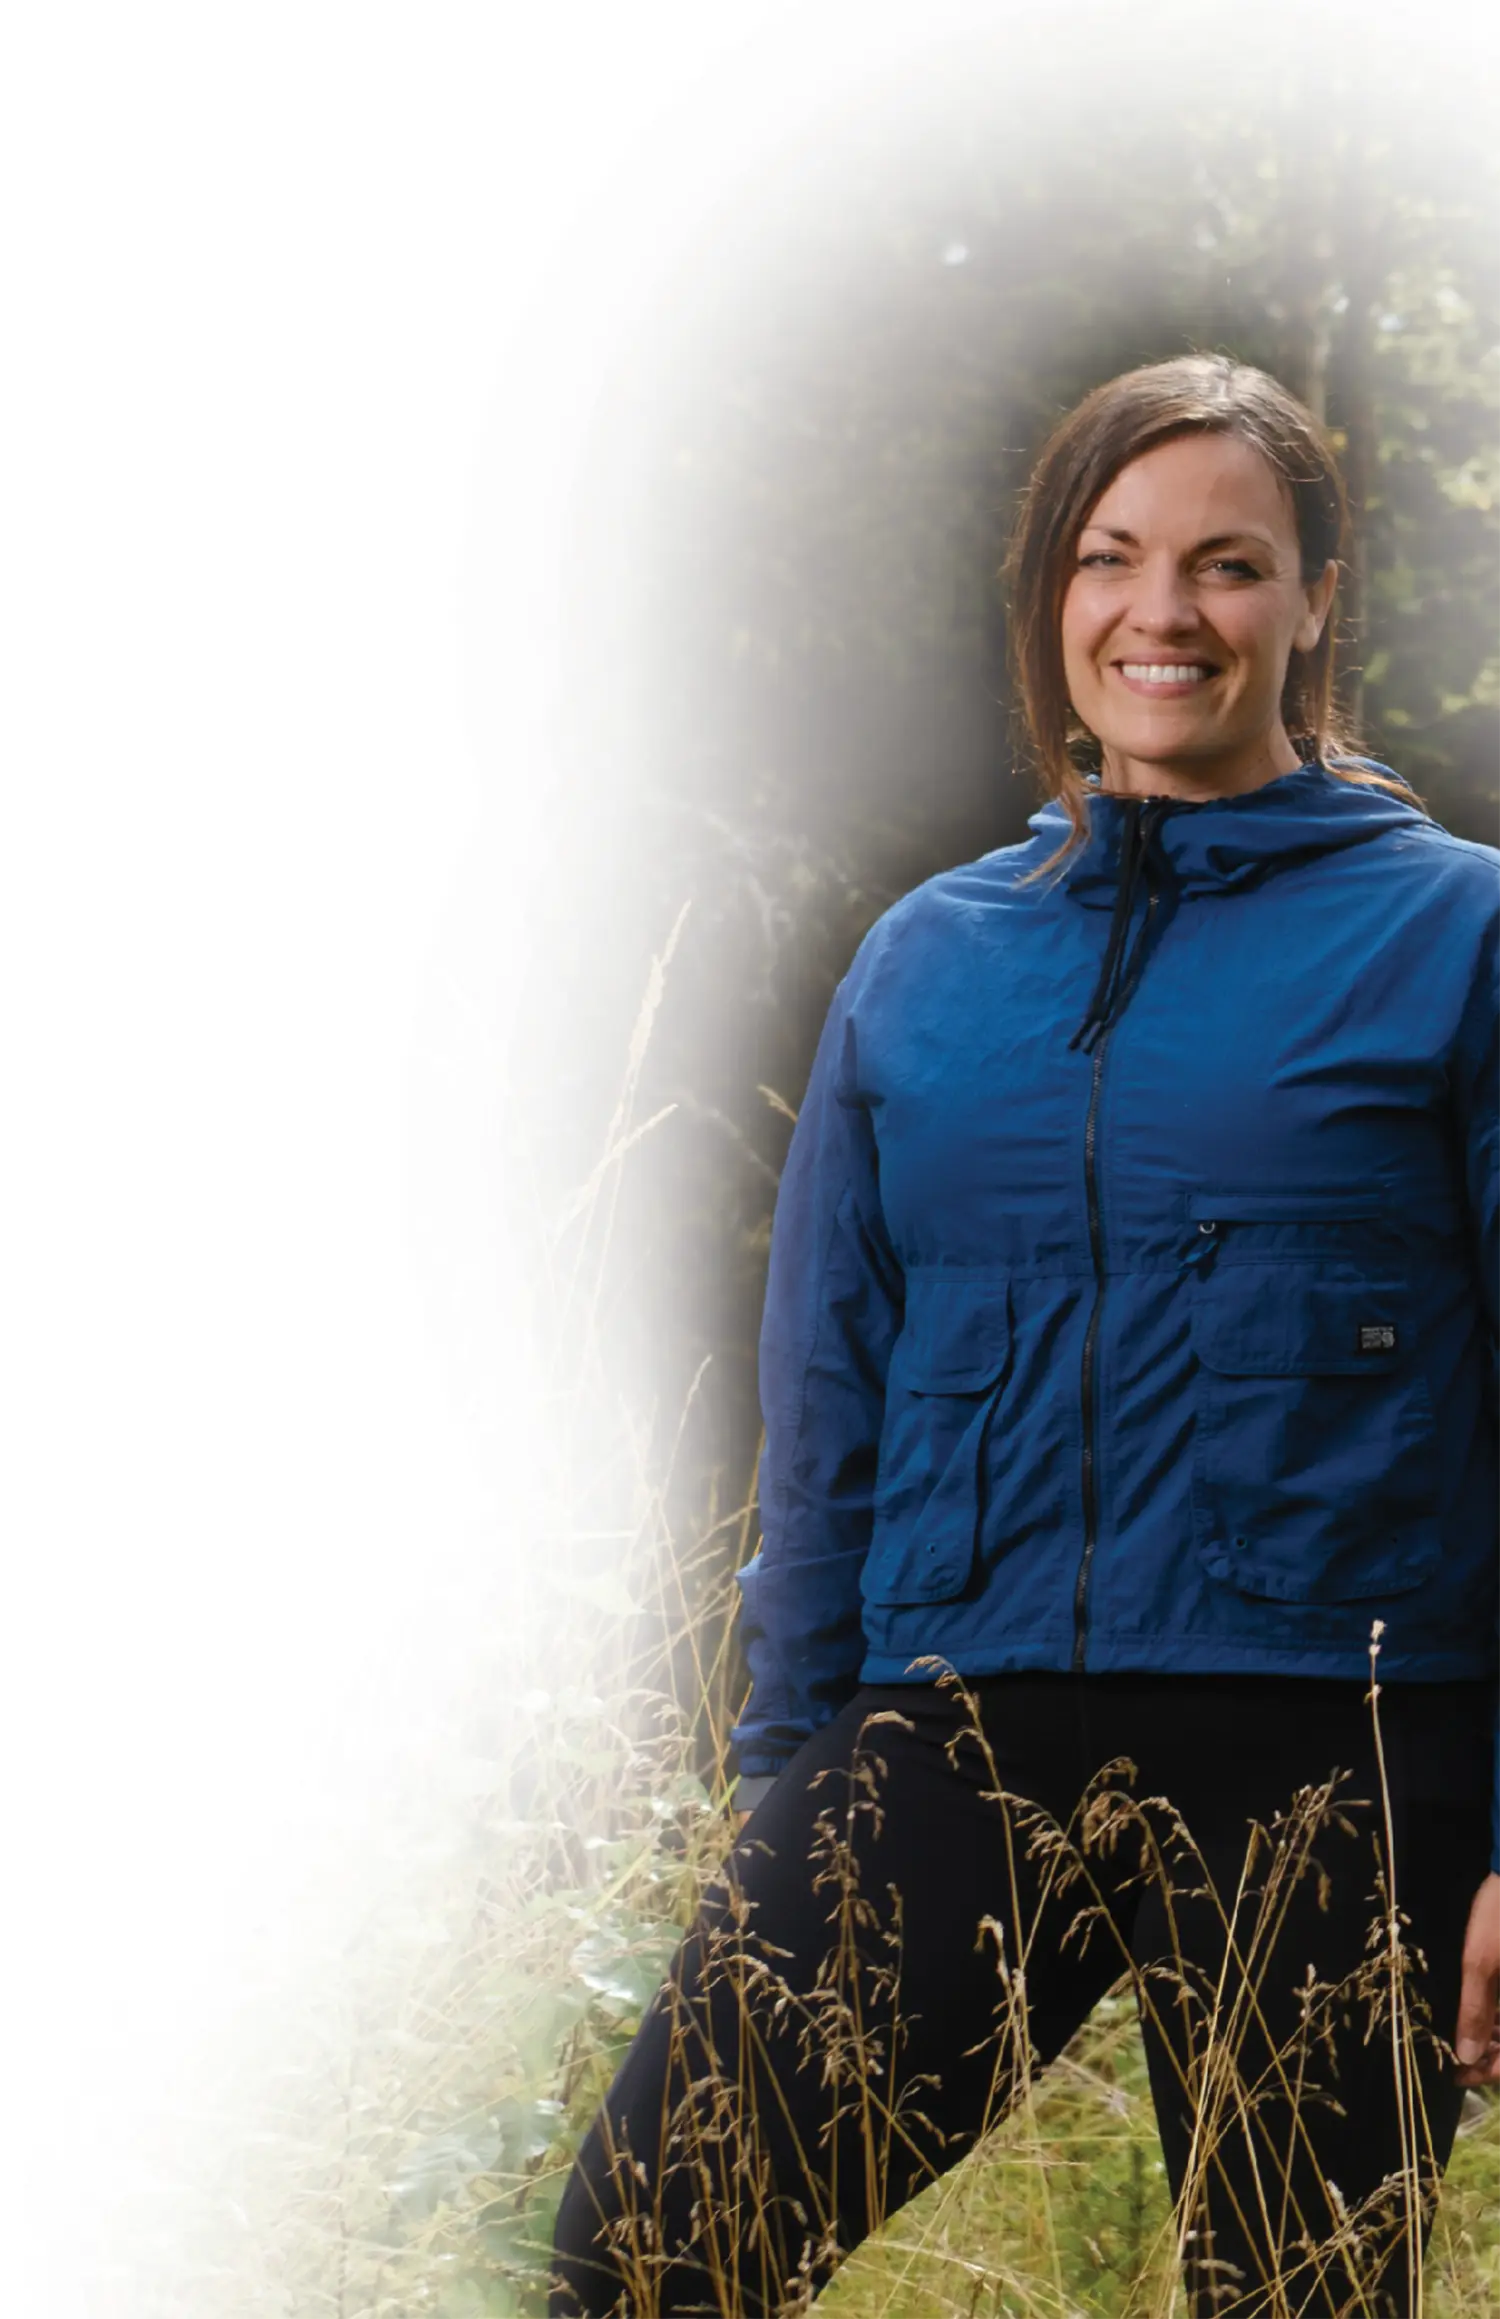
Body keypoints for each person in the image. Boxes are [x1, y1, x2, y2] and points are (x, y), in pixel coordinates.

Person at [549, 354, 1500, 2319]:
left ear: (1316, 596)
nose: (1163, 612)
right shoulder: (927, 960)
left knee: (1305, 2302)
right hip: (950, 1726)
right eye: (1111, 557)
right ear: (1048, 595)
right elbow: (831, 1410)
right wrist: (788, 1778)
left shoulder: (1459, 938)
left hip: (1346, 1749)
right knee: (644, 2257)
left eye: (1228, 564)